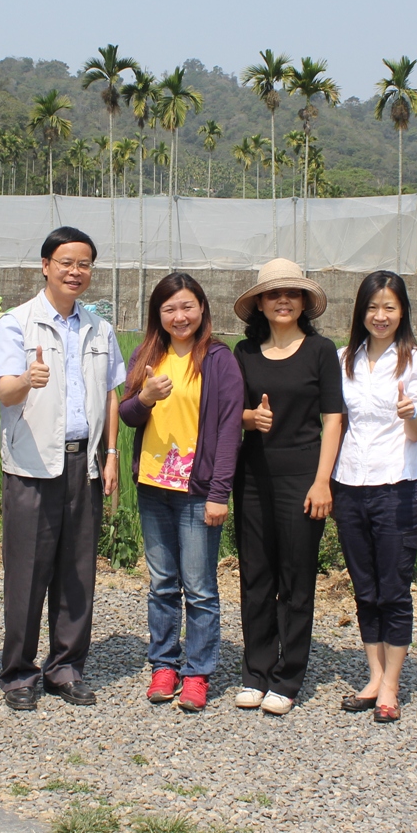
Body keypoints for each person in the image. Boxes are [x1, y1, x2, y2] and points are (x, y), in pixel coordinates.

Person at [0, 226, 125, 711]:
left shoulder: (99, 328)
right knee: (27, 574)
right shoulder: (17, 323)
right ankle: (19, 674)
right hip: (32, 465)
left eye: (84, 263)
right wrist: (28, 378)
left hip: (84, 463)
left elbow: (111, 393)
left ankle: (65, 668)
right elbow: (4, 392)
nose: (75, 271)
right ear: (45, 266)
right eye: (66, 262)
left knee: (77, 573)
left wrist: (111, 454)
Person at [118, 273, 244, 713]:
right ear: (159, 314)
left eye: (187, 306)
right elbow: (127, 414)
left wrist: (219, 493)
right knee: (162, 584)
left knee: (200, 587)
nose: (179, 316)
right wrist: (145, 397)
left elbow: (229, 430)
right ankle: (164, 665)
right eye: (169, 308)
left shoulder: (219, 360)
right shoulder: (147, 355)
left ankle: (197, 672)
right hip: (153, 487)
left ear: (202, 308)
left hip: (197, 490)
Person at [230, 258, 344, 716]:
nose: (283, 301)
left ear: (303, 303)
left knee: (296, 578)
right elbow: (230, 413)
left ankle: (287, 675)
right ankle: (256, 671)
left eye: (292, 293)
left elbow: (333, 419)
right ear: (259, 303)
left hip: (303, 477)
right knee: (255, 576)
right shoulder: (244, 353)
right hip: (252, 476)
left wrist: (322, 480)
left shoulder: (321, 351)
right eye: (273, 294)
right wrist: (250, 418)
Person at [332, 270, 417, 724]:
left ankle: (391, 683)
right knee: (364, 587)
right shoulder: (343, 359)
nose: (380, 316)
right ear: (361, 311)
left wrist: (410, 413)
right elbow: (336, 422)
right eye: (373, 307)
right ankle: (373, 676)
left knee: (393, 589)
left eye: (389, 307)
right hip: (349, 484)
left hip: (397, 485)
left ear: (402, 311)